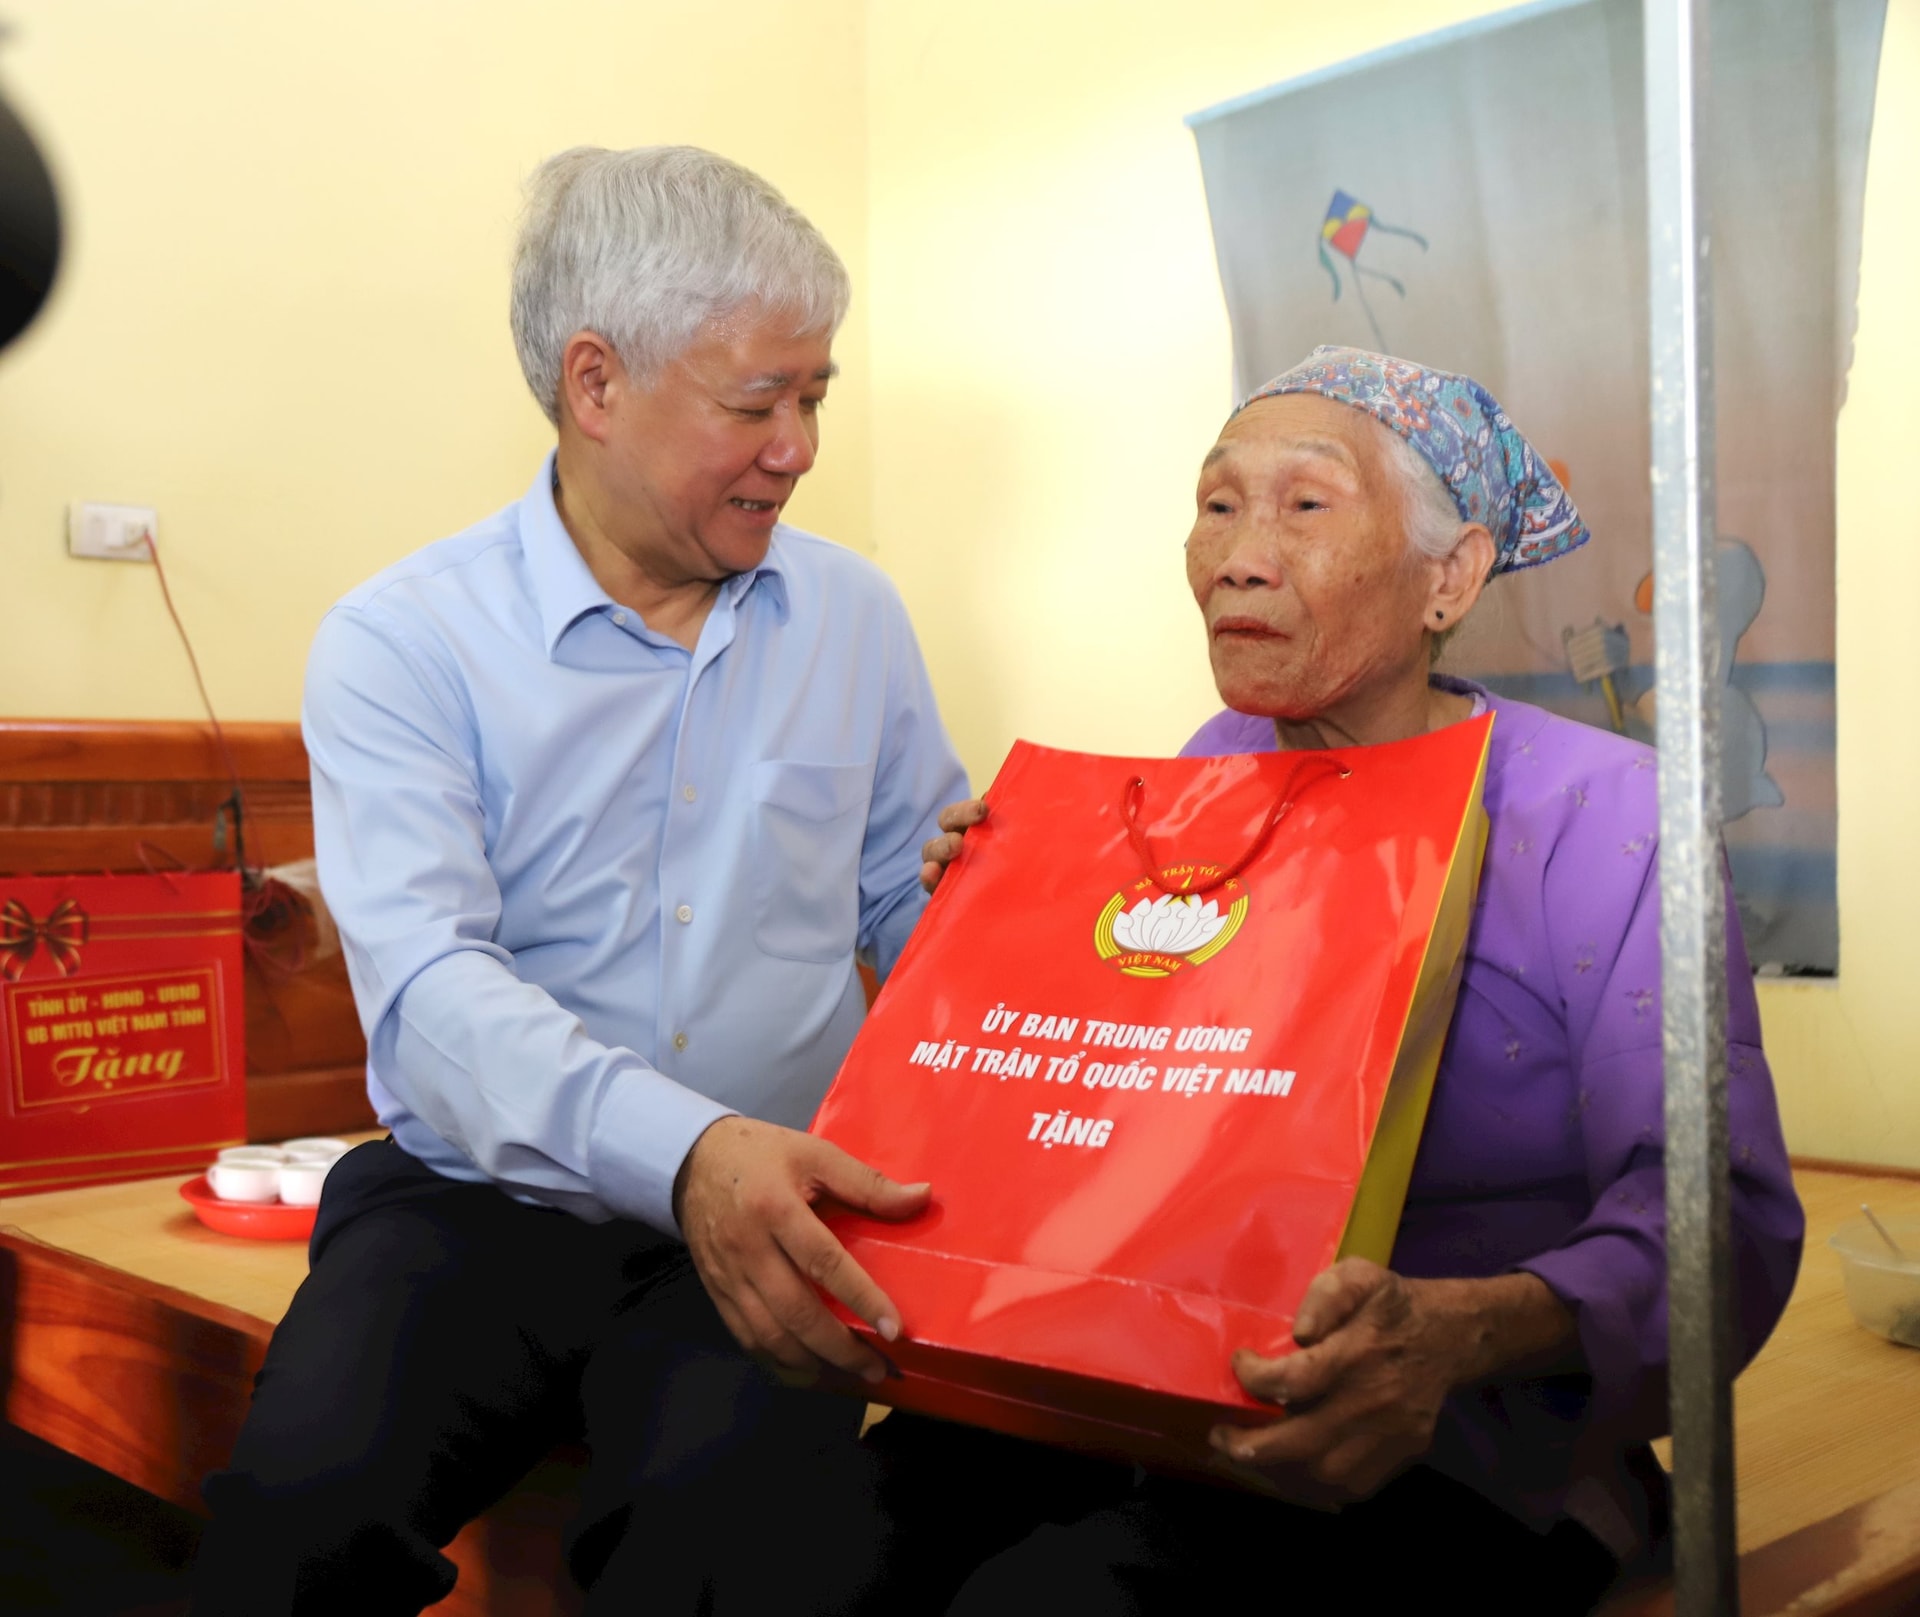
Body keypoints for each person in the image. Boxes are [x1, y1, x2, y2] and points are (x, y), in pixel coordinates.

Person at [896, 346, 1804, 1614]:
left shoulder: (1612, 816)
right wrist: (1007, 933)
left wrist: (1454, 1334)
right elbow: (1152, 1104)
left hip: (1476, 1446)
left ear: (1452, 575)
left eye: (1305, 505)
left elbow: (1724, 1223)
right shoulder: (1214, 766)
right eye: (1217, 504)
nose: (1238, 555)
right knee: (824, 1531)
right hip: (1167, 1379)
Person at [191, 146, 967, 1616]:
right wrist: (688, 1153)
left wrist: (1010, 935)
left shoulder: (854, 616)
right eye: (758, 403)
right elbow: (432, 997)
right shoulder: (402, 641)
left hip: (768, 1209)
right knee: (296, 1518)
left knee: (732, 1553)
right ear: (595, 383)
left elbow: (912, 909)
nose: (798, 446)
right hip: (470, 1203)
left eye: (816, 396)